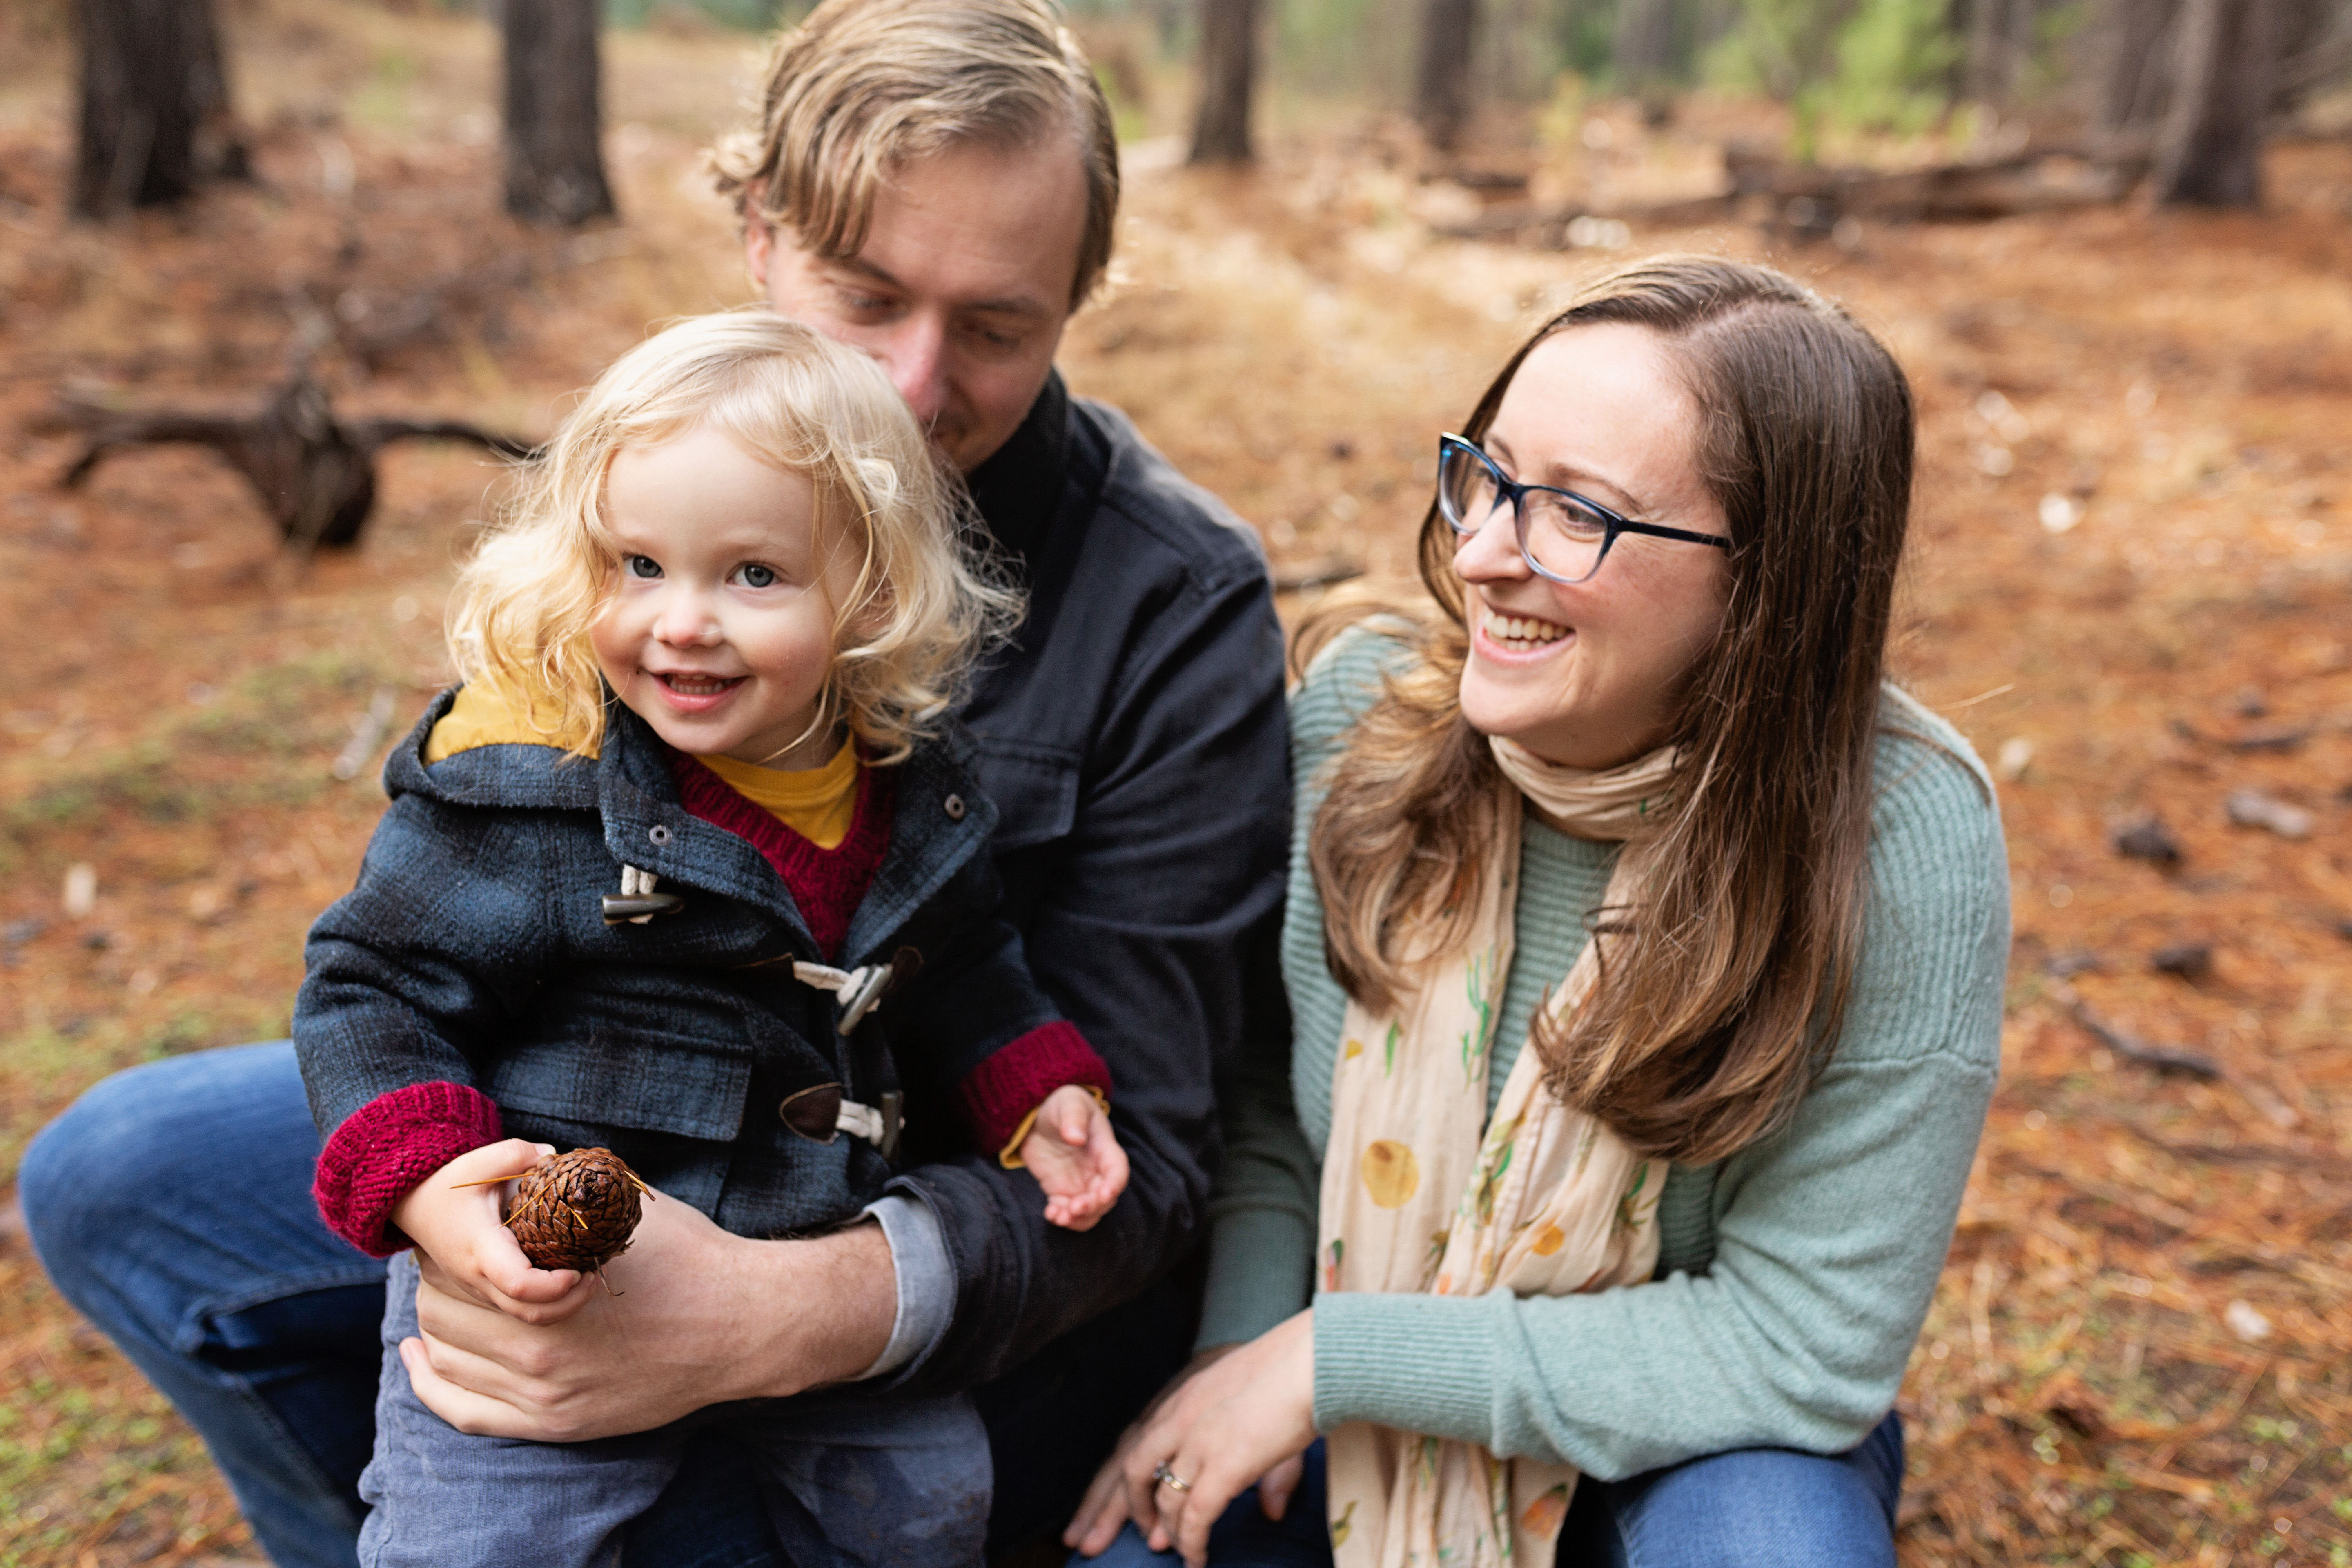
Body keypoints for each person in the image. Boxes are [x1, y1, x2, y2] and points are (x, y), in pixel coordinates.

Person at [18, 1, 1290, 1563]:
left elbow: (1141, 1160)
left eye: (999, 327)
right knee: (124, 1175)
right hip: (589, 1140)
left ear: (1081, 302)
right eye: (866, 296)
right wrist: (444, 1191)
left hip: (911, 1248)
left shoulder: (1176, 600)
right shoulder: (647, 526)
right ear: (760, 231)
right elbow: (415, 944)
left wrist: (773, 1316)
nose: (909, 385)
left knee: (833, 1495)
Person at [1062, 256, 2010, 1568]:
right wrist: (1238, 1353)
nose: (1486, 552)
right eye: (1491, 474)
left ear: (1769, 586)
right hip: (1340, 1374)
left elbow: (1802, 1344)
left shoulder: (1899, 836)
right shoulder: (1368, 719)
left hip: (1696, 1432)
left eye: (1579, 516)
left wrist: (1336, 1356)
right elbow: (1278, 1105)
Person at [303, 310, 1130, 1566]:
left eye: (752, 576)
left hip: (813, 1234)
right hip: (554, 1278)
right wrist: (427, 1176)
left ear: (868, 588)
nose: (682, 621)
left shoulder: (912, 787)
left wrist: (1035, 1085)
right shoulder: (537, 785)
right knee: (483, 1538)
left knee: (931, 1506)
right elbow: (376, 984)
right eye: (638, 566)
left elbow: (961, 965)